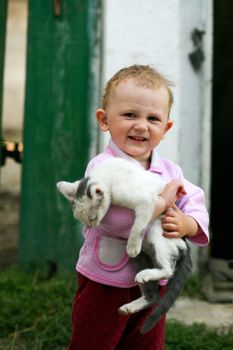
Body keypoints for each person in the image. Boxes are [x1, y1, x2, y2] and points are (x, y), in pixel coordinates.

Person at [67, 64, 209, 350]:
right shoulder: (103, 168)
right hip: (106, 278)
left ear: (166, 128)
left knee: (145, 341)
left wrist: (188, 224)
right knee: (94, 340)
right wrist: (161, 204)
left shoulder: (169, 171)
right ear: (104, 120)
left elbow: (193, 198)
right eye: (130, 115)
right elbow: (113, 220)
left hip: (152, 279)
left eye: (153, 118)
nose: (141, 125)